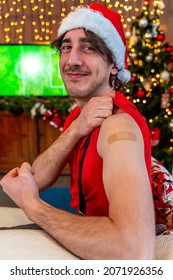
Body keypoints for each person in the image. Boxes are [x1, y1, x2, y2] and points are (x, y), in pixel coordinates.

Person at [0, 3, 155, 259]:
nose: (72, 60)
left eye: (88, 47)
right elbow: (34, 179)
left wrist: (32, 206)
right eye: (66, 47)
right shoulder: (82, 116)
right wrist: (76, 129)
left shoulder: (117, 124)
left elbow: (135, 251)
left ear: (114, 65)